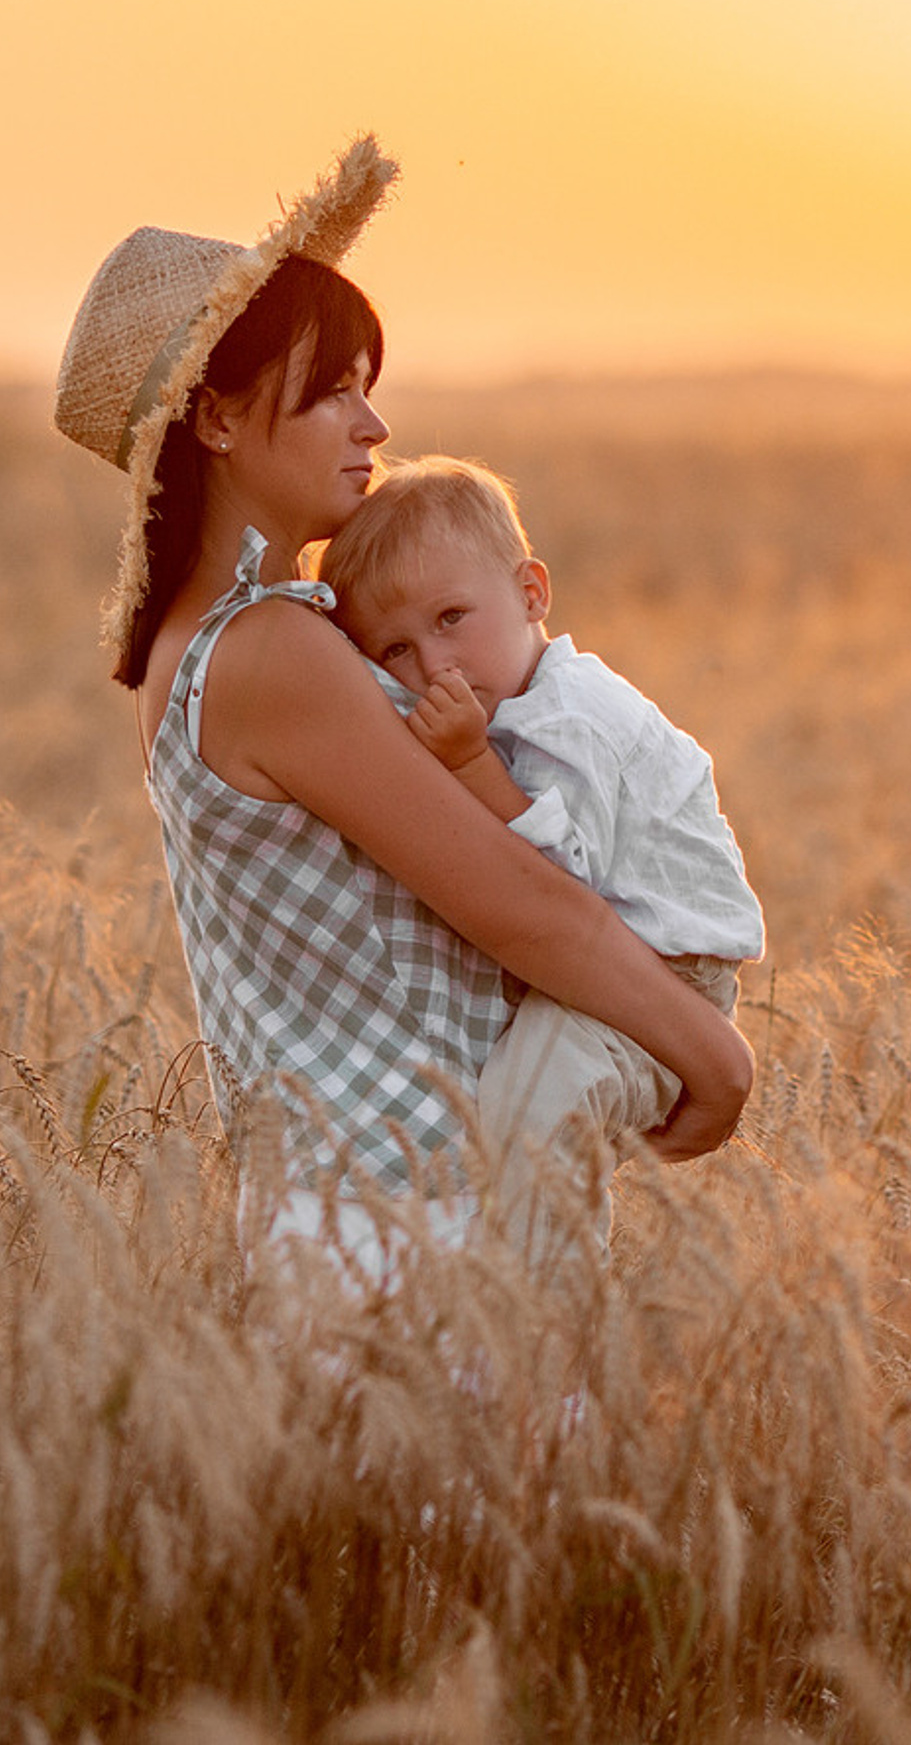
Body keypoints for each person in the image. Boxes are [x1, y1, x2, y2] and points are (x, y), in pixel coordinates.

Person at [52, 136, 752, 1265]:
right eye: (331, 393)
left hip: (363, 1208)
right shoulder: (272, 651)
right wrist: (714, 1057)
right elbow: (520, 902)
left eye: (365, 391)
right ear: (218, 421)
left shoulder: (222, 642)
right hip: (412, 1225)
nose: (374, 428)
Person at [320, 456, 765, 1252]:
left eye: (451, 617)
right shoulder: (512, 699)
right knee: (522, 1122)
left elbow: (561, 891)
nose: (433, 666)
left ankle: (541, 1335)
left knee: (534, 1108)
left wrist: (469, 767)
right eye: (393, 651)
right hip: (607, 963)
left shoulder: (570, 720)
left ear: (532, 593)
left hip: (660, 976)